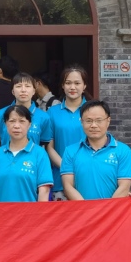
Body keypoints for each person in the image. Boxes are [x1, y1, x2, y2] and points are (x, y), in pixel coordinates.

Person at [61, 100, 131, 200]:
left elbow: (124, 188)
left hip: (112, 209)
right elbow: (68, 187)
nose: (94, 125)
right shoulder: (70, 151)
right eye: (88, 121)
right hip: (82, 209)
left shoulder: (123, 151)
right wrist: (87, 208)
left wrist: (107, 209)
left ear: (108, 121)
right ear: (81, 122)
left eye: (99, 120)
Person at [0, 105, 53, 202]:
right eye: (12, 121)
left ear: (29, 124)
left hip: (29, 211)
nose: (16, 126)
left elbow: (44, 191)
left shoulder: (39, 153)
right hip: (1, 211)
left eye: (22, 121)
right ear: (5, 124)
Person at [46, 65, 92, 200]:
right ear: (62, 85)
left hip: (89, 175)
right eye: (68, 83)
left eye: (77, 83)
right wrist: (67, 167)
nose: (72, 87)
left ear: (84, 86)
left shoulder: (93, 110)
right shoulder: (52, 112)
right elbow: (49, 147)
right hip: (60, 179)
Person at [0, 72, 52, 150]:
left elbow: (44, 145)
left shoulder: (44, 117)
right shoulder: (0, 115)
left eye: (27, 86)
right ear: (13, 91)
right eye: (18, 86)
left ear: (33, 91)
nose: (23, 90)